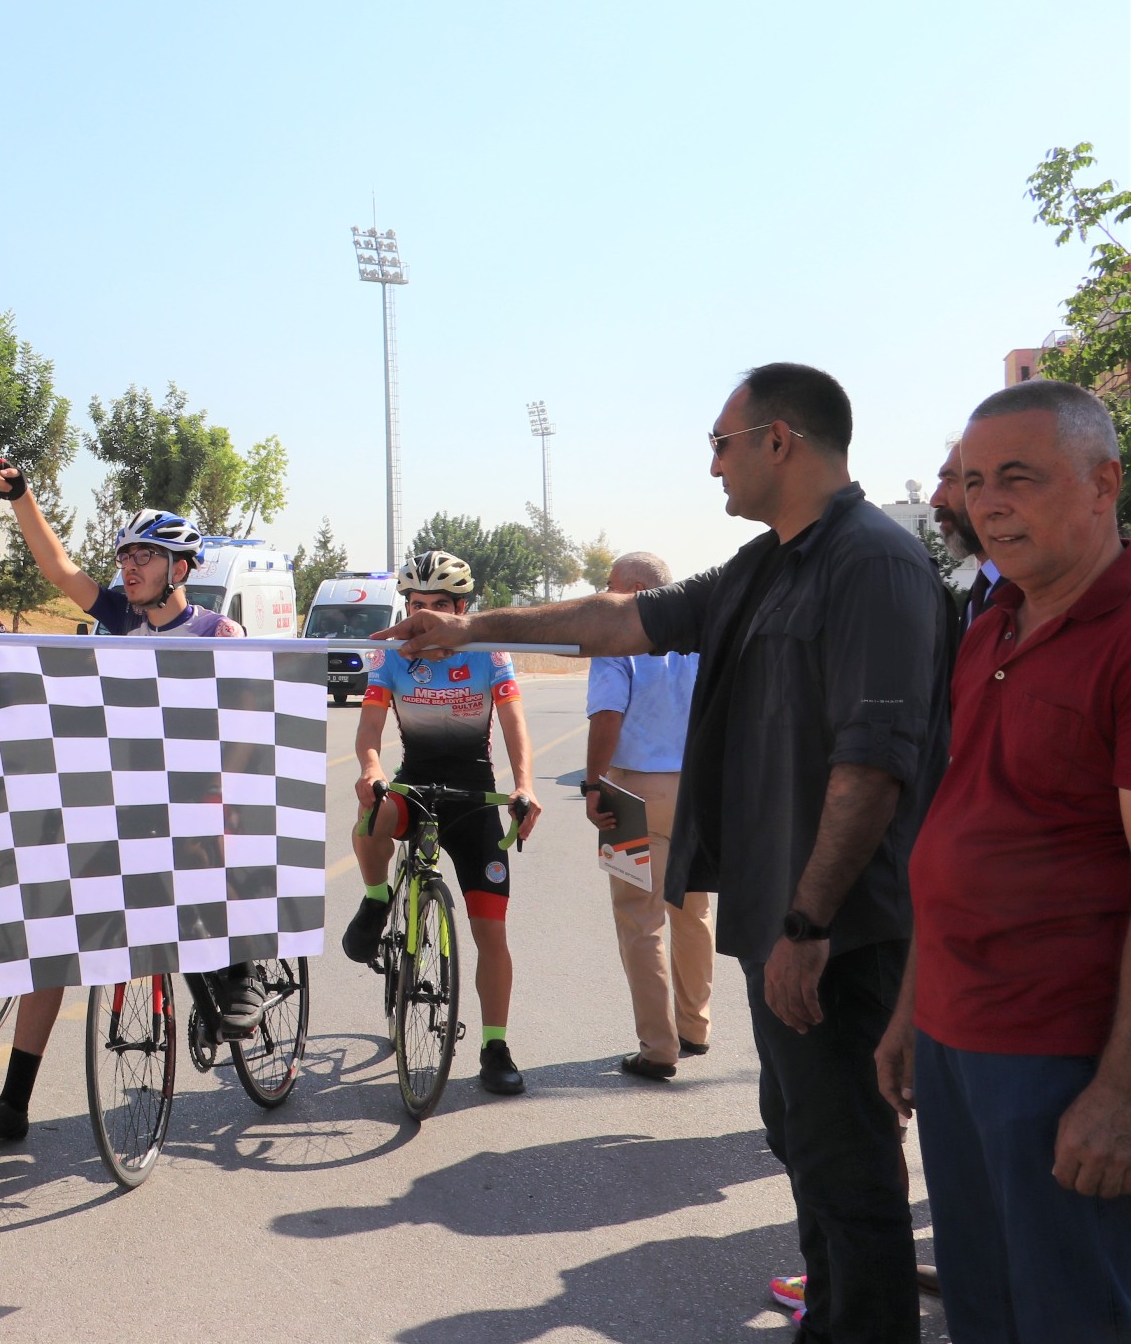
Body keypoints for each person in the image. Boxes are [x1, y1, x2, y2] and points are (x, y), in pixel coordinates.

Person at [375, 363, 946, 1340]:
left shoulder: (875, 566)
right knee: (805, 1145)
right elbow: (611, 622)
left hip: (844, 932)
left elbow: (871, 769)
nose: (711, 462)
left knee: (851, 1169)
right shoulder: (767, 566)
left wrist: (808, 925)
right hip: (783, 922)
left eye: (723, 441)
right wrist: (471, 628)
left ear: (782, 443)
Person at [876, 380, 1131, 1337]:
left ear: (1103, 482)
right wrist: (911, 1010)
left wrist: (1120, 1092)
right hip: (954, 1038)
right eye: (975, 480)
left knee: (1073, 1313)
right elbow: (956, 830)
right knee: (985, 1309)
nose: (985, 503)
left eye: (1017, 477)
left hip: (1063, 1059)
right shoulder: (993, 626)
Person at [0, 455, 255, 1151]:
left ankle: (240, 970)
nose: (129, 565)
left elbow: (246, 730)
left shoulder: (217, 633)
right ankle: (14, 1103)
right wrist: (21, 495)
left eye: (145, 554)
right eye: (124, 554)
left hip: (197, 790)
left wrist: (217, 791)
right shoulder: (117, 614)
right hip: (122, 789)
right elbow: (58, 568)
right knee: (52, 936)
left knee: (200, 851)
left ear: (181, 567)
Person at [341, 549, 546, 1096]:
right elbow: (368, 734)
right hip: (416, 786)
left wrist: (523, 784)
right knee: (369, 816)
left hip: (475, 798)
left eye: (438, 605)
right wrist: (371, 769)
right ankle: (378, 898)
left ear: (461, 609)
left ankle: (495, 1045)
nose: (424, 616)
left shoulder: (487, 653)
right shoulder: (392, 657)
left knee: (491, 933)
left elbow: (513, 725)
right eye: (415, 604)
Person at [581, 551, 708, 1083]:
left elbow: (607, 714)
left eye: (611, 588)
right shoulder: (700, 638)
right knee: (692, 909)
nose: (606, 597)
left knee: (640, 920)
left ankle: (659, 1048)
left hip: (633, 789)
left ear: (633, 589)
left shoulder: (619, 640)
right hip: (698, 788)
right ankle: (694, 1027)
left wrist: (593, 784)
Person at [930, 439, 1002, 635]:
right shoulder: (982, 591)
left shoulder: (1036, 597)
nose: (935, 500)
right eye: (940, 482)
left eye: (951, 482)